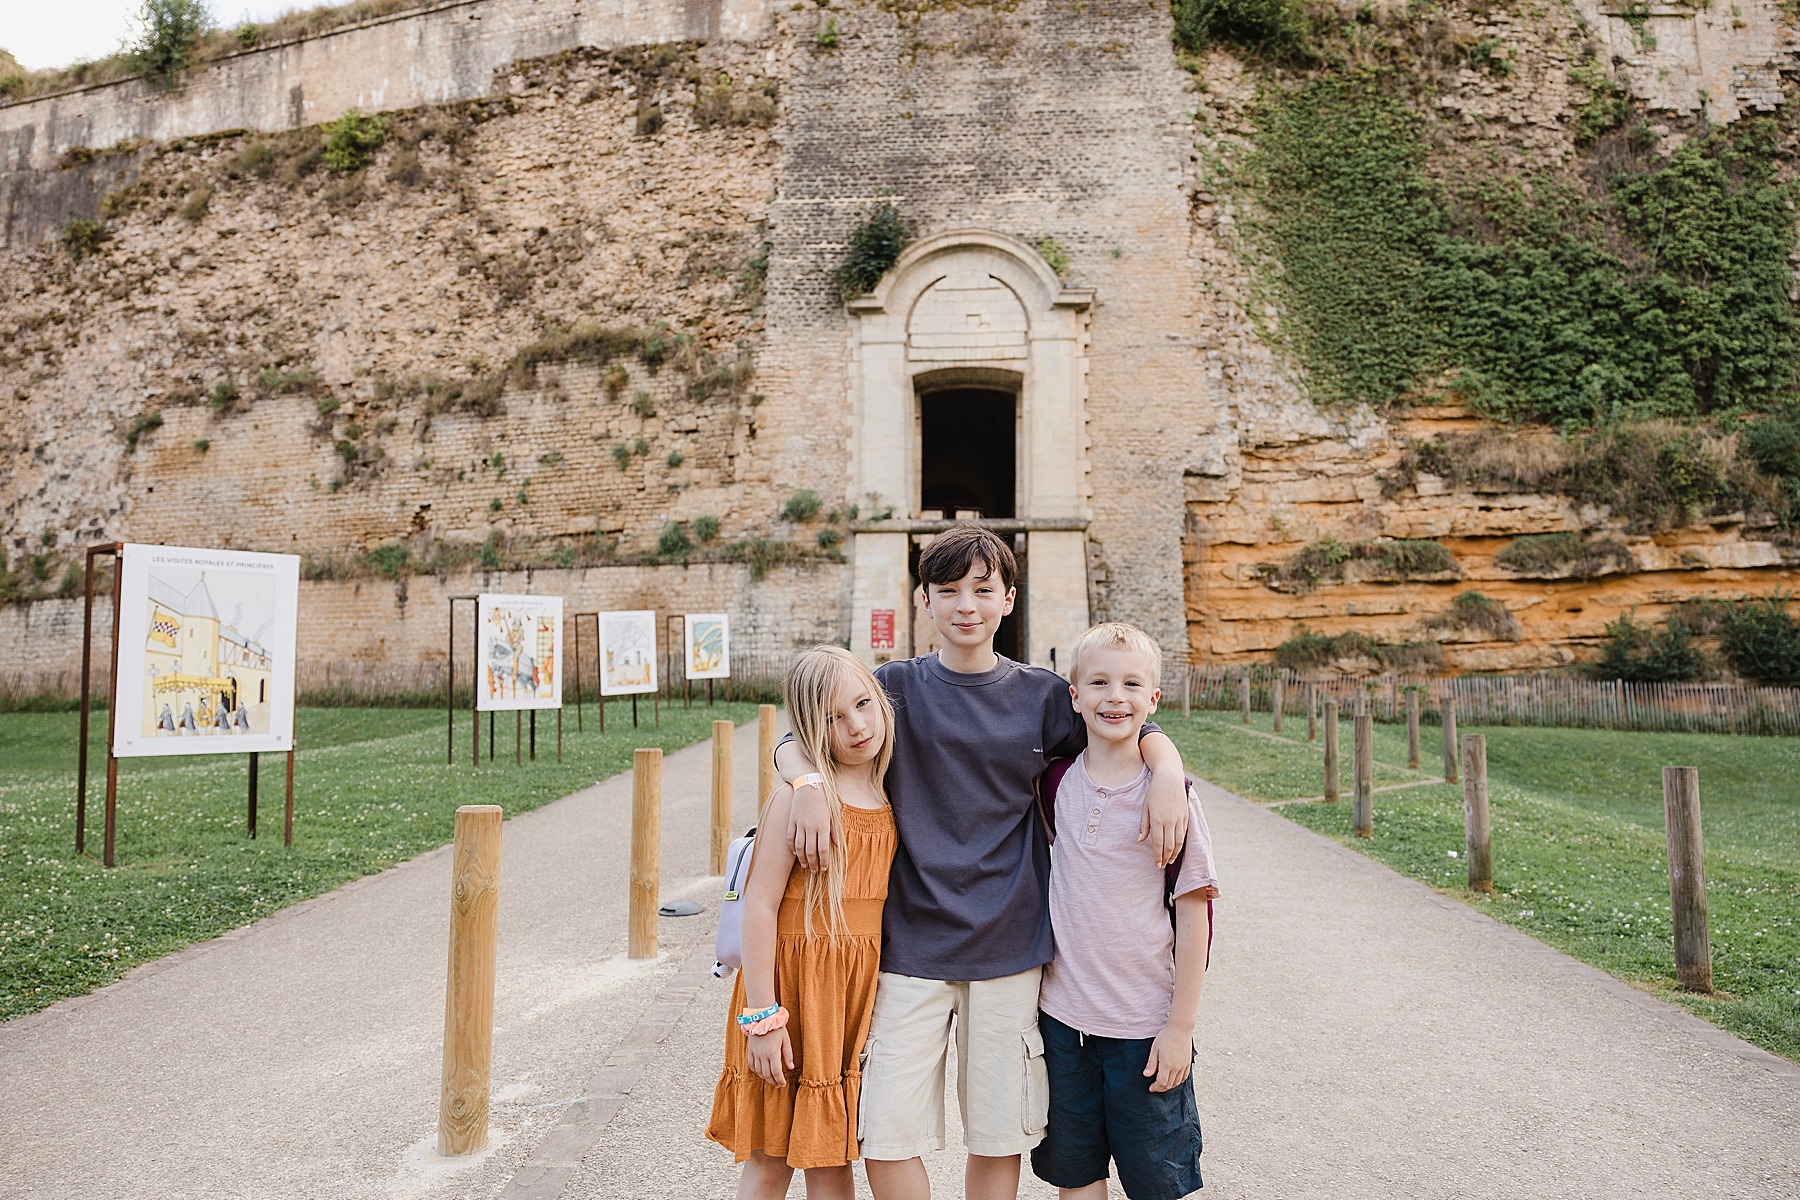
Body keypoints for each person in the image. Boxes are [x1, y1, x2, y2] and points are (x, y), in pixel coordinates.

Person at [777, 525, 1192, 1200]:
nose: (966, 604)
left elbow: (1126, 721)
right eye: (949, 591)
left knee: (997, 1134)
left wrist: (1167, 768)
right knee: (884, 1130)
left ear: (1008, 600)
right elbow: (797, 737)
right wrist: (806, 786)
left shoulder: (1042, 696)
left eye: (983, 589)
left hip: (1009, 947)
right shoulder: (891, 688)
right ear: (925, 601)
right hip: (909, 947)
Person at [706, 645, 899, 1200]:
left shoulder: (886, 783)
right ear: (811, 728)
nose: (857, 726)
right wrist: (762, 1019)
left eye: (863, 704)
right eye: (834, 718)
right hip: (792, 990)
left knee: (831, 1159)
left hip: (846, 999)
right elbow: (760, 906)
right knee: (770, 1162)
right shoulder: (799, 799)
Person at [1032, 622, 1217, 1200]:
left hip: (1144, 1029)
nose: (1115, 696)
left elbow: (1194, 914)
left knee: (1156, 1184)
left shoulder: (1174, 797)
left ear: (1153, 700)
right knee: (1076, 1176)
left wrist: (1180, 1027)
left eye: (1132, 683)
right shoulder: (1053, 784)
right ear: (1075, 695)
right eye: (1100, 682)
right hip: (1063, 1023)